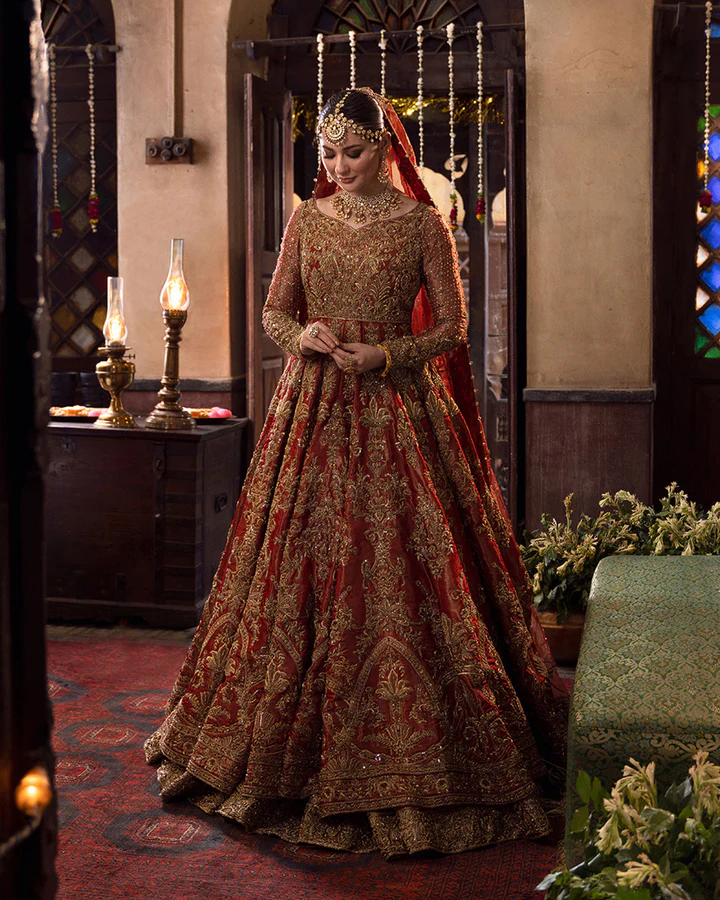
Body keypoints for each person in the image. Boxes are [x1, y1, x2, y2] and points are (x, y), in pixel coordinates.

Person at [145, 87, 568, 858]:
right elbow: (274, 312)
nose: (339, 167)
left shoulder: (422, 224)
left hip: (398, 405)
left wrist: (388, 352)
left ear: (386, 149)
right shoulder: (306, 220)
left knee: (406, 568)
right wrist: (301, 335)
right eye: (330, 154)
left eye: (354, 152)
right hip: (311, 404)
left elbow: (453, 327)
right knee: (294, 568)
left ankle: (421, 753)